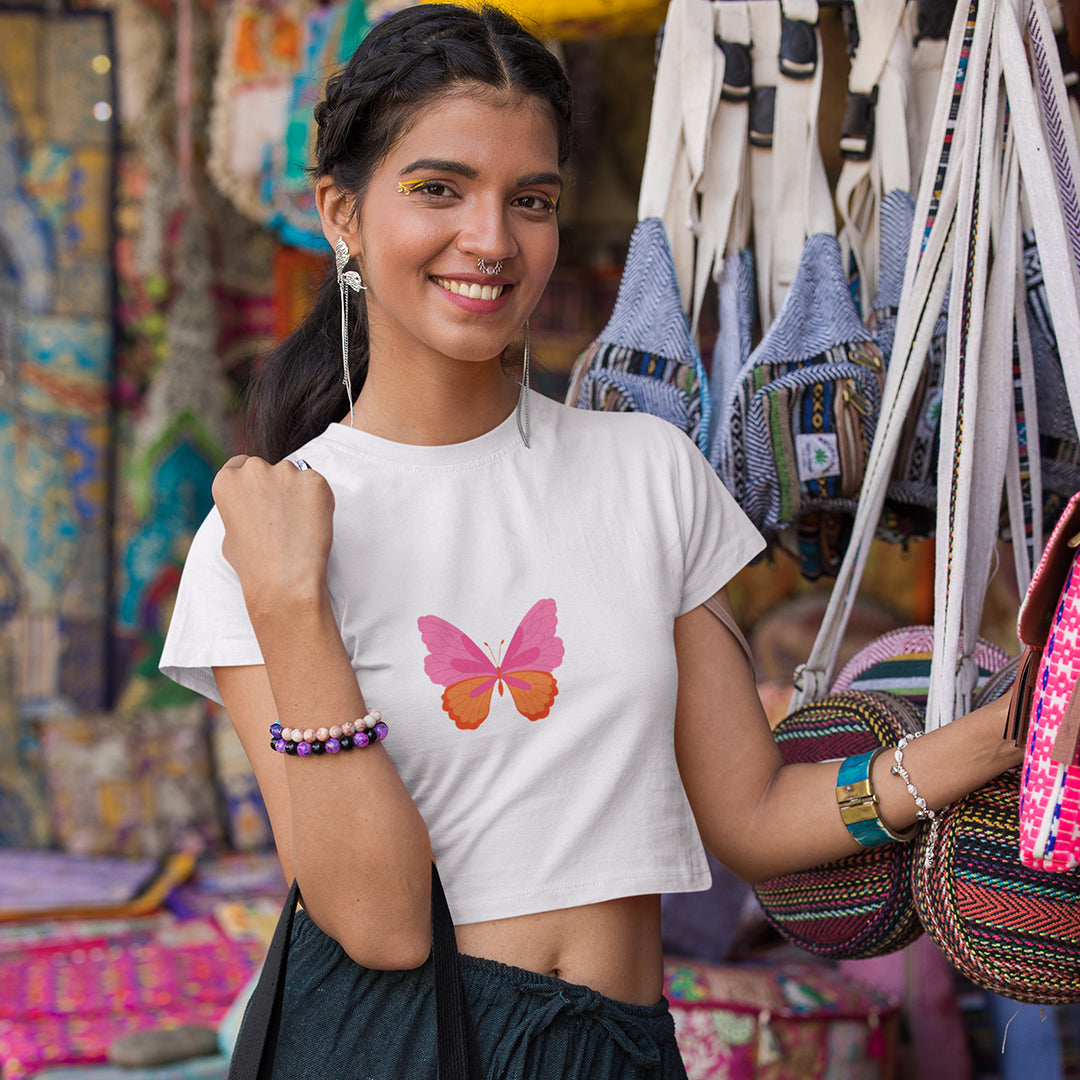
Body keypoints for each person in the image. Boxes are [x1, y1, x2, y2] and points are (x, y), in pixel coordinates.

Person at [160, 5, 1023, 1076]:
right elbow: (381, 926)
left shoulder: (647, 472)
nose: (490, 239)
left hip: (620, 1047)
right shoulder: (265, 537)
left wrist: (1003, 738)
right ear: (341, 211)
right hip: (402, 1049)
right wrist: (293, 605)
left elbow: (752, 818)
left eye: (531, 200)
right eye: (440, 189)